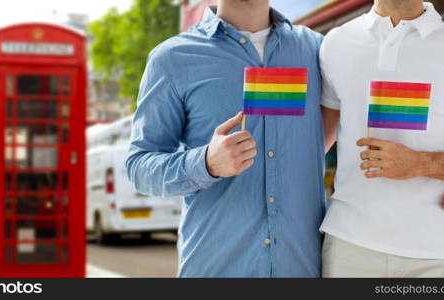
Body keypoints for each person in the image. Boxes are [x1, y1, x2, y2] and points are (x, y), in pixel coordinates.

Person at [126, 0, 327, 277]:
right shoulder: (172, 58)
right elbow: (138, 167)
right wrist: (205, 163)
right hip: (216, 269)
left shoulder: (316, 50)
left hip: (301, 268)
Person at [319, 0, 444, 277]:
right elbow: (315, 144)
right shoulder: (336, 43)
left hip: (432, 254)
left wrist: (423, 164)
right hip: (348, 245)